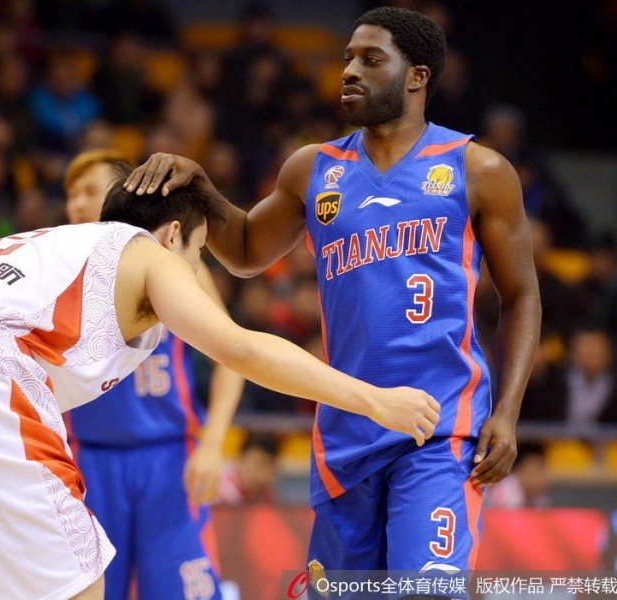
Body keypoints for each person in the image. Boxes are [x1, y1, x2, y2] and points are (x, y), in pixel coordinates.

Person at [0, 177, 440, 599]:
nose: (195, 269)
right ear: (174, 234)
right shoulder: (143, 252)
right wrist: (375, 400)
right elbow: (241, 348)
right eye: (200, 252)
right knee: (75, 584)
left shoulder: (42, 244)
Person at [124, 6, 541, 574]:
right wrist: (201, 188)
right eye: (347, 58)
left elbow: (521, 296)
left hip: (441, 427)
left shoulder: (479, 168)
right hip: (347, 428)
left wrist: (509, 413)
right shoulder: (312, 167)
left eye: (371, 60)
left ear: (417, 76)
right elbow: (246, 251)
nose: (349, 70)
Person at [63, 149, 245, 599]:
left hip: (168, 455)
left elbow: (232, 357)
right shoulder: (63, 264)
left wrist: (213, 442)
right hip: (88, 459)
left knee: (181, 588)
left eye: (90, 191)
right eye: (71, 195)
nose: (77, 204)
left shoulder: (175, 262)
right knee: (92, 590)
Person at [216, 431, 280, 505]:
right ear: (240, 461)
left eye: (269, 467)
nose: (261, 474)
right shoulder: (220, 486)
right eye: (257, 465)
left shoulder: (268, 493)